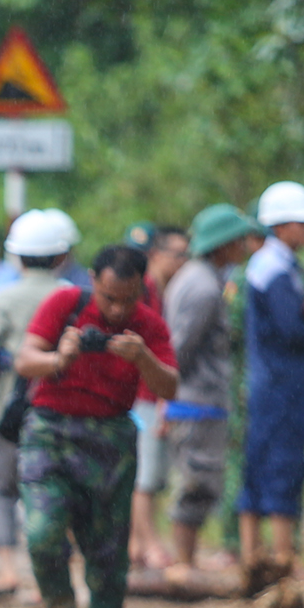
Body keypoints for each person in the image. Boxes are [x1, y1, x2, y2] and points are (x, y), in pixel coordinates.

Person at [13, 243, 178, 608]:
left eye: (128, 299)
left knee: (107, 553)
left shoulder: (149, 327)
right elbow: (24, 360)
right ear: (92, 281)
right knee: (42, 534)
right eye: (108, 298)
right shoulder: (66, 304)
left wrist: (142, 356)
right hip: (50, 431)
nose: (118, 310)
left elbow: (171, 387)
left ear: (141, 289)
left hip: (110, 438)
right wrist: (59, 357)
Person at [0, 237, 67, 604]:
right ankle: (49, 575)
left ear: (18, 257)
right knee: (50, 488)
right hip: (61, 408)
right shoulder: (73, 296)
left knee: (3, 487)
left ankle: (8, 570)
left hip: (8, 409)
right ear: (62, 255)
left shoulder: (2, 297)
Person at [158, 206, 258, 572]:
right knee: (196, 481)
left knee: (199, 480)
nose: (244, 247)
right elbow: (179, 350)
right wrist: (166, 396)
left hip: (198, 401)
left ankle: (188, 558)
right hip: (196, 402)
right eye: (238, 241)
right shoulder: (202, 288)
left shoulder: (199, 278)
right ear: (223, 245)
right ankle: (184, 562)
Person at [238, 181, 304, 570]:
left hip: (270, 383)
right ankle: (283, 557)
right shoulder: (276, 271)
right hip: (282, 386)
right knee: (282, 463)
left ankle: (253, 552)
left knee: (259, 460)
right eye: (302, 222)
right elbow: (289, 331)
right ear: (281, 226)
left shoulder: (269, 266)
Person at [124, 224, 191, 569]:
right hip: (143, 396)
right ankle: (147, 542)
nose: (183, 261)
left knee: (151, 472)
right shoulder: (143, 292)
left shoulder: (164, 292)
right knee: (145, 475)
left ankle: (138, 542)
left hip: (155, 393)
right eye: (177, 254)